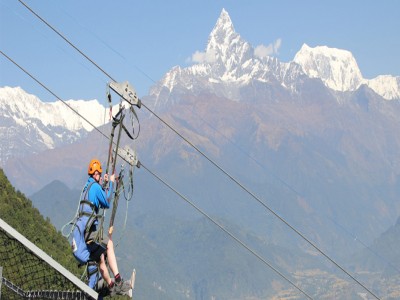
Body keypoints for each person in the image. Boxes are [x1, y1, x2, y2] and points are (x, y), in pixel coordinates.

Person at [71, 158, 132, 296]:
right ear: (97, 173)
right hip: (90, 232)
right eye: (99, 173)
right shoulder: (95, 187)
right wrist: (110, 182)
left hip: (84, 233)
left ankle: (110, 286)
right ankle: (118, 280)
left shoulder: (88, 187)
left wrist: (105, 184)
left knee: (100, 259)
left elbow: (99, 197)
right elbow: (106, 202)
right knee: (109, 244)